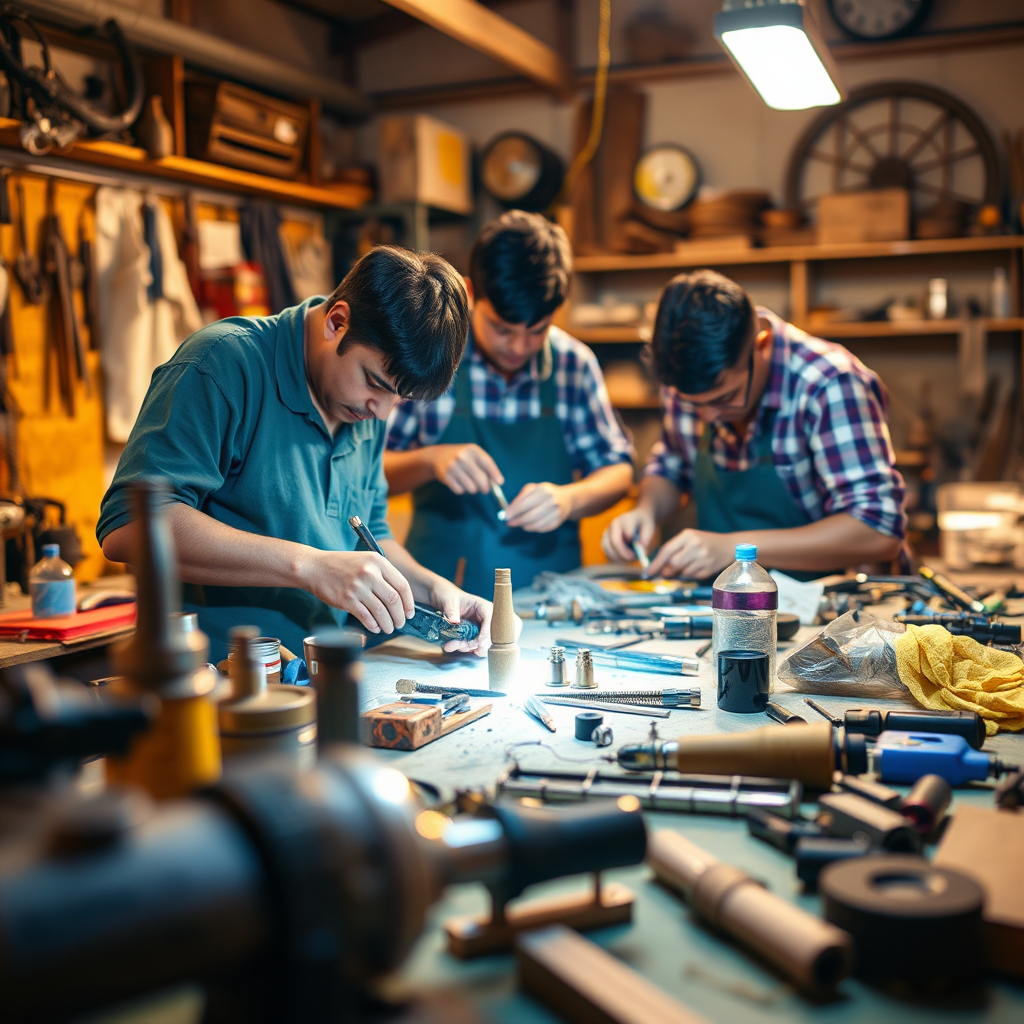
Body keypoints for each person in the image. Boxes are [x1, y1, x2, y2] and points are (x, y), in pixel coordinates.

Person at [98, 245, 493, 662]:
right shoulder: (222, 364)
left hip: (322, 675)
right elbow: (127, 526)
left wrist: (437, 590)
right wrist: (309, 566)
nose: (383, 411)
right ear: (337, 322)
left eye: (401, 398)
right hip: (213, 680)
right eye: (375, 383)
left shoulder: (365, 409)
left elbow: (370, 540)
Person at [384, 211, 634, 597]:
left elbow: (617, 471)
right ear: (470, 292)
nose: (519, 347)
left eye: (536, 331)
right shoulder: (430, 355)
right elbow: (369, 475)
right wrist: (430, 461)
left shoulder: (573, 364)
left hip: (553, 600)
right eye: (502, 329)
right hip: (441, 598)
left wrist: (568, 500)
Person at [603, 269, 906, 581]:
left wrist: (735, 550)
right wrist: (646, 511)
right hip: (724, 605)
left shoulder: (830, 384)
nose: (707, 417)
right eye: (693, 405)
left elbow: (878, 529)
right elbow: (671, 464)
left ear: (762, 344)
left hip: (826, 604)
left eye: (726, 398)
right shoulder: (685, 378)